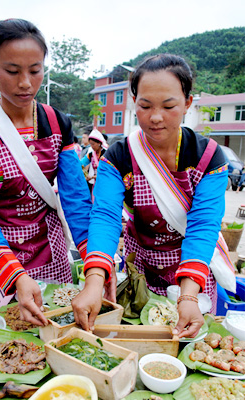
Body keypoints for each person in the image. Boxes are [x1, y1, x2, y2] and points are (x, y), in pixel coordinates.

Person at [72, 54, 228, 338]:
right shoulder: (119, 156)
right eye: (145, 106)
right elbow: (106, 216)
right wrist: (94, 281)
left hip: (193, 269)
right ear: (134, 102)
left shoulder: (208, 157)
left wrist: (189, 296)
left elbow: (203, 225)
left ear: (187, 103)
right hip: (141, 269)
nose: (155, 117)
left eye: (169, 106)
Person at [0, 19, 92, 326]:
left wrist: (93, 264)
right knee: (8, 340)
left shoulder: (57, 123)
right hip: (0, 258)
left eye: (35, 70)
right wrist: (15, 275)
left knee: (55, 331)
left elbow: (76, 200)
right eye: (12, 71)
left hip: (51, 252)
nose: (26, 83)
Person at [80, 128, 107, 197]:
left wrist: (92, 177)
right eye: (90, 144)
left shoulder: (106, 154)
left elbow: (107, 171)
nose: (92, 146)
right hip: (95, 183)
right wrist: (86, 175)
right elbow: (81, 164)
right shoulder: (91, 154)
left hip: (105, 183)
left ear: (99, 143)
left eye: (93, 144)